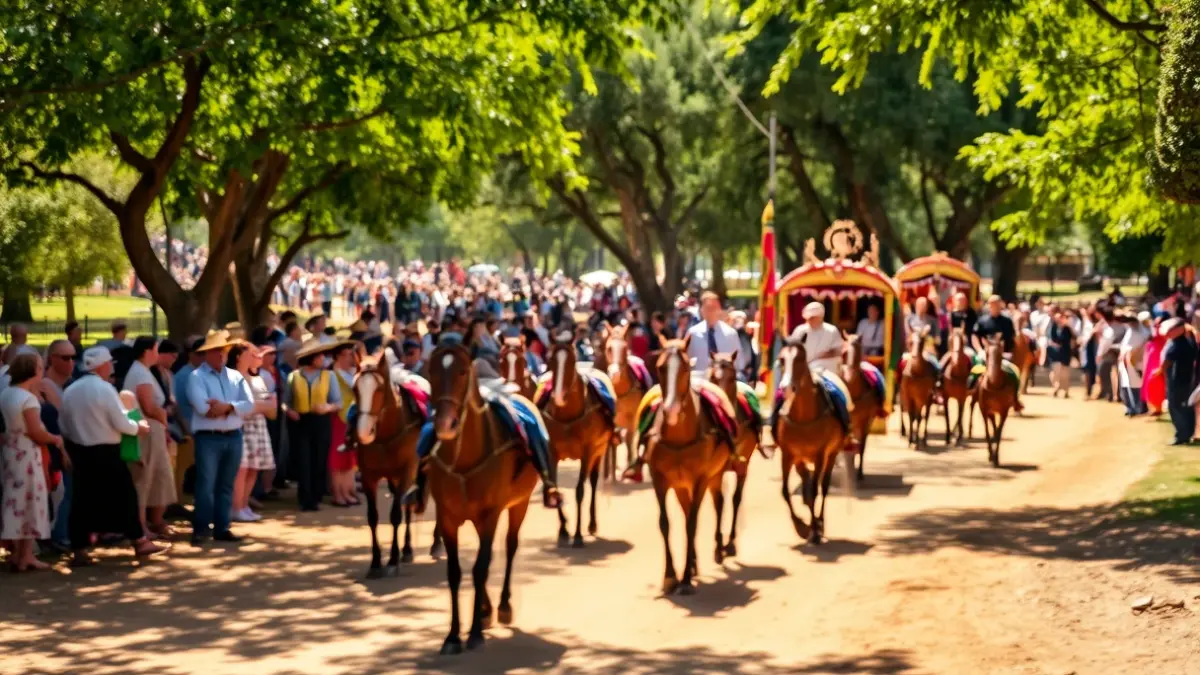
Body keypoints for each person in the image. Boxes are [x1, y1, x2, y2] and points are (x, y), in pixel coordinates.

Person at [60, 346, 166, 566]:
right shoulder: (104, 389)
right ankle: (139, 541)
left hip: (80, 451)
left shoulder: (70, 390)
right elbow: (121, 422)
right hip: (106, 451)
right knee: (126, 496)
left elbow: (64, 425)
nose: (111, 368)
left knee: (81, 501)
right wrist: (138, 427)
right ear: (102, 365)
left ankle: (79, 548)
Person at [186, 331, 257, 545]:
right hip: (209, 438)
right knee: (206, 485)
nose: (220, 354)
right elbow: (202, 408)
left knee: (225, 484)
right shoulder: (196, 377)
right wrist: (235, 408)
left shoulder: (235, 377)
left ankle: (221, 527)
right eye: (216, 350)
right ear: (207, 353)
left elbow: (250, 405)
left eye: (222, 350)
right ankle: (201, 528)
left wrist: (227, 407)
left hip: (233, 436)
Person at [1, 352, 62, 571]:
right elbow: (36, 431)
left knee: (15, 502)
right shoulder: (28, 399)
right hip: (27, 454)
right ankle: (25, 555)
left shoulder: (7, 394)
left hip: (10, 452)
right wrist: (54, 438)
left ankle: (18, 553)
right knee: (30, 502)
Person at [124, 336, 177, 538]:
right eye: (156, 349)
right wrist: (163, 417)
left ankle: (156, 521)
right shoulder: (140, 373)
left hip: (153, 431)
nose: (158, 353)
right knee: (144, 480)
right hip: (145, 433)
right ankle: (141, 527)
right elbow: (148, 406)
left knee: (159, 476)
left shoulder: (144, 372)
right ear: (147, 351)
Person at [284, 338, 342, 512]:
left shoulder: (328, 376)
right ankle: (304, 498)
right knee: (303, 460)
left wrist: (327, 407)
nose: (323, 359)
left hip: (321, 421)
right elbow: (285, 402)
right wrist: (289, 411)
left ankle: (316, 496)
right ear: (311, 358)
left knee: (319, 459)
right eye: (320, 356)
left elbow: (338, 402)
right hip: (300, 422)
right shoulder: (293, 377)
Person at [230, 344, 276, 522]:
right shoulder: (233, 378)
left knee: (253, 468)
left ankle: (244, 505)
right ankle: (236, 507)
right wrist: (261, 405)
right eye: (251, 354)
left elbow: (272, 410)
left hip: (258, 427)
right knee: (241, 469)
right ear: (239, 357)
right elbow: (241, 408)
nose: (255, 358)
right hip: (242, 426)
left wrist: (258, 406)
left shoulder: (258, 380)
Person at [327, 341, 359, 508]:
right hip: (338, 418)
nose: (350, 359)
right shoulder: (333, 374)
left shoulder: (352, 373)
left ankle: (347, 491)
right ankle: (338, 493)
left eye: (351, 355)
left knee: (348, 458)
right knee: (337, 457)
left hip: (350, 418)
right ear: (338, 357)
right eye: (347, 355)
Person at [686, 292, 748, 376]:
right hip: (699, 382)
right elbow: (686, 361)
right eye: (708, 308)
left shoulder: (730, 334)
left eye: (714, 308)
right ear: (701, 310)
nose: (711, 312)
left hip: (724, 381)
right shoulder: (692, 334)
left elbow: (739, 363)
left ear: (719, 310)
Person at [1155, 319, 1196, 445]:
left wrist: (1159, 371)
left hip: (1178, 380)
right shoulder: (1186, 342)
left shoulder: (1179, 344)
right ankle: (1186, 433)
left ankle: (1182, 435)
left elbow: (1167, 361)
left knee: (1177, 407)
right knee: (1185, 408)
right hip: (1184, 379)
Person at [788, 302, 843, 373]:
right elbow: (792, 348)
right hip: (803, 367)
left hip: (827, 368)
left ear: (820, 317)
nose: (809, 320)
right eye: (807, 318)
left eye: (812, 318)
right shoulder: (800, 330)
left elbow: (837, 351)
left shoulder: (831, 330)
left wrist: (821, 356)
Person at [1117, 312, 1149, 416]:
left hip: (1136, 363)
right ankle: (1130, 407)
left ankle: (1138, 408)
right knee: (1126, 386)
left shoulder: (1143, 332)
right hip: (1126, 363)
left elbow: (1138, 348)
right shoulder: (1130, 331)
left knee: (1136, 386)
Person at [1046, 310, 1075, 398]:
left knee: (1065, 373)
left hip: (1065, 353)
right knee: (1055, 372)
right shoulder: (1052, 327)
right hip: (1055, 353)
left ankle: (1065, 391)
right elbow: (1051, 339)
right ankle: (1056, 387)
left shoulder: (1067, 329)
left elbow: (1072, 338)